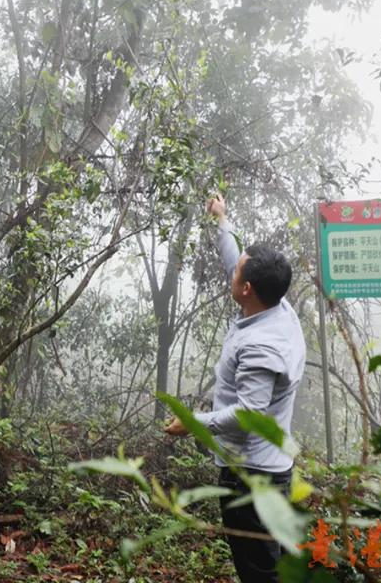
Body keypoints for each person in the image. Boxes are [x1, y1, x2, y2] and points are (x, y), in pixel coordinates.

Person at [166, 193, 306, 583]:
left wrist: (192, 422)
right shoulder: (276, 307)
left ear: (247, 289)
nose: (232, 274)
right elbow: (238, 263)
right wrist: (221, 221)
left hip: (252, 474)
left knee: (258, 569)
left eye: (237, 276)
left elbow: (249, 414)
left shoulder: (262, 347)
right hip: (269, 465)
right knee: (266, 559)